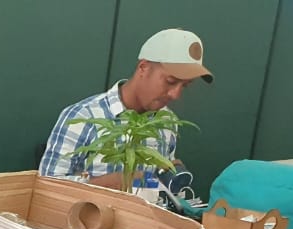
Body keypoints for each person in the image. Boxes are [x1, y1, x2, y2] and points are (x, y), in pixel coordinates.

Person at [39, 28, 212, 189]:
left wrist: (166, 179)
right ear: (143, 67)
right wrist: (107, 184)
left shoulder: (167, 121)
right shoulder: (83, 116)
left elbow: (156, 187)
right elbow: (45, 188)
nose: (175, 95)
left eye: (185, 85)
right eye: (170, 81)